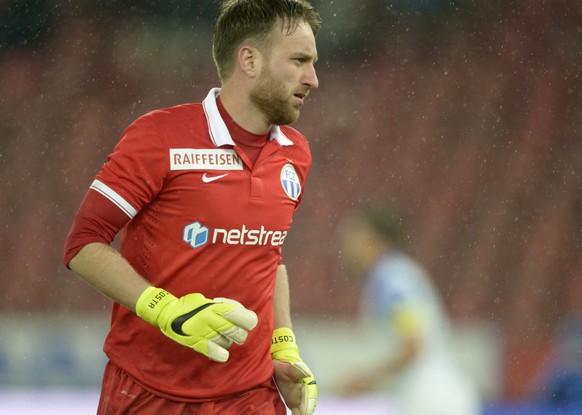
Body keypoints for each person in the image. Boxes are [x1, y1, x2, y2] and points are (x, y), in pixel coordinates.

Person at [63, 1, 321, 414]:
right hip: (148, 393)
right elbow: (82, 244)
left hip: (250, 396)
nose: (313, 78)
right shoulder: (160, 136)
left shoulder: (297, 154)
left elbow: (267, 255)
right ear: (249, 60)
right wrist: (165, 310)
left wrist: (283, 345)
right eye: (299, 60)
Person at [336, 209, 481, 415]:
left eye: (354, 240)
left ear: (376, 240)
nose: (346, 249)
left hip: (432, 400)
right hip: (436, 395)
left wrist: (364, 380)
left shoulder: (393, 282)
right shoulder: (392, 277)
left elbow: (414, 345)